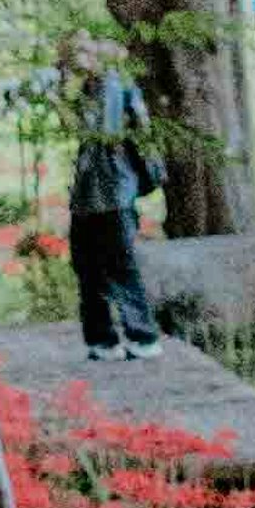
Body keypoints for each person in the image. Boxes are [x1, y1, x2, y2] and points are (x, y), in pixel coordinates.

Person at [67, 73, 163, 356]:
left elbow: (106, 133)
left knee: (119, 264)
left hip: (113, 190)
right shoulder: (81, 88)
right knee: (87, 267)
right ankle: (101, 339)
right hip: (87, 194)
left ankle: (142, 336)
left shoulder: (115, 86)